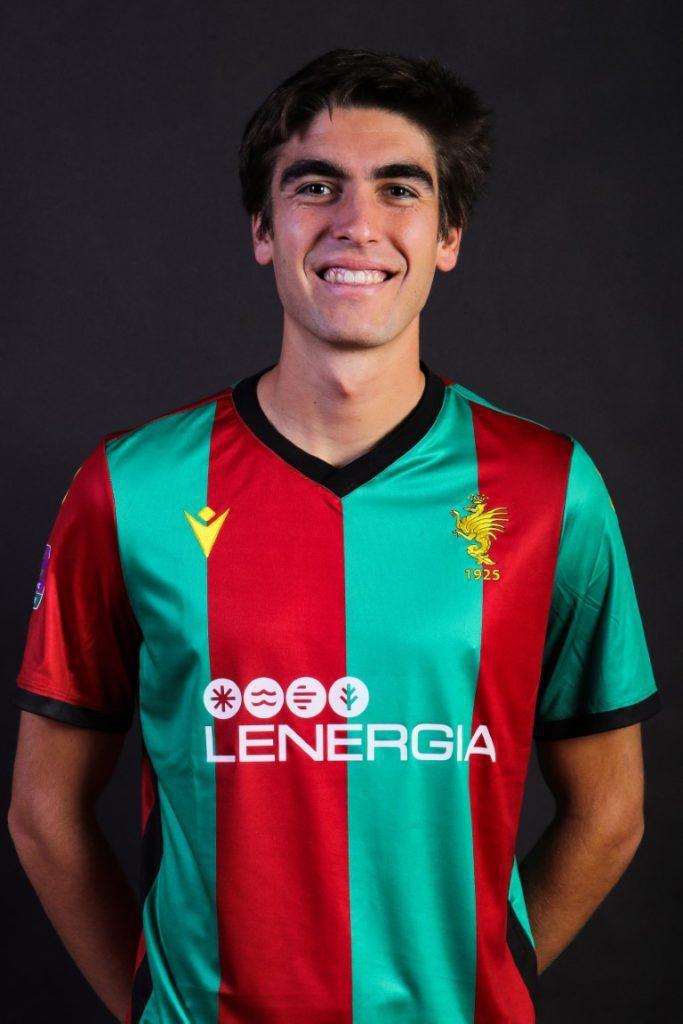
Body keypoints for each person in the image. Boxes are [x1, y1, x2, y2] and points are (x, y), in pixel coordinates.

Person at [8, 48, 661, 1024]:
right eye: (315, 187)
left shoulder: (549, 489)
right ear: (261, 229)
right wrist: (155, 1007)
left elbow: (609, 812)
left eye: (399, 189)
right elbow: (43, 812)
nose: (356, 223)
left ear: (447, 234)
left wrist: (489, 986)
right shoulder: (129, 489)